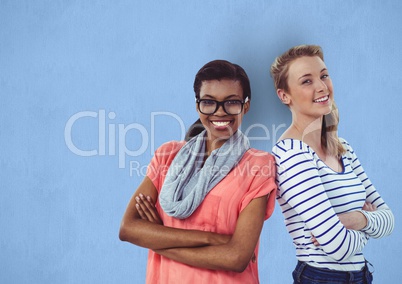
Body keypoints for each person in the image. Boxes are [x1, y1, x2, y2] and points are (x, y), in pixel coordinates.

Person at [119, 60, 277, 283]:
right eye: (208, 102)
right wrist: (212, 239)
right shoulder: (168, 155)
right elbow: (128, 228)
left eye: (231, 102)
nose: (220, 113)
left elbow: (237, 257)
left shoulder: (259, 165)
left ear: (246, 106)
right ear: (197, 105)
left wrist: (157, 236)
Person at [270, 44, 394, 284]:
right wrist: (368, 225)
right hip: (322, 278)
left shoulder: (342, 147)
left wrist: (355, 220)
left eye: (324, 75)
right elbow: (337, 246)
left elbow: (389, 220)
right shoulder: (291, 153)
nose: (321, 86)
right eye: (306, 81)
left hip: (361, 276)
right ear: (284, 95)